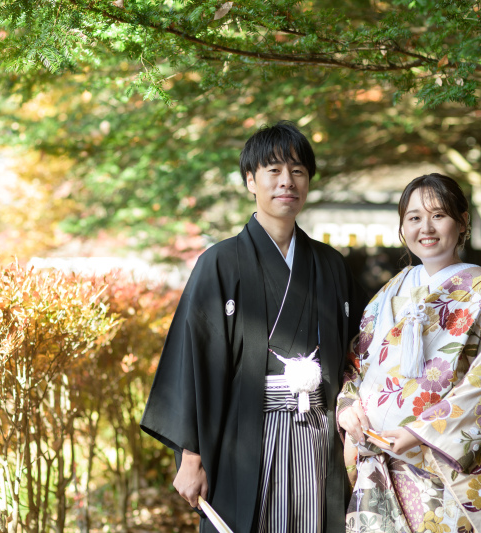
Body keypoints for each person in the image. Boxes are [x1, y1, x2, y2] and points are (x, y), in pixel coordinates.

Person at [141, 121, 363, 533]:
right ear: (250, 180)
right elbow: (192, 363)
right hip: (245, 440)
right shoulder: (220, 263)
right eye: (273, 171)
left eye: (298, 171)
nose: (287, 181)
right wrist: (190, 457)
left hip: (319, 437)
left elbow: (359, 355)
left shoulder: (331, 265)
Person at [337, 173, 481, 533]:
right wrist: (348, 406)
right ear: (402, 227)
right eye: (414, 217)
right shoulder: (390, 290)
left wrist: (423, 432)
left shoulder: (480, 288)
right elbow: (356, 362)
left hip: (439, 462)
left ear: (462, 222)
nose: (426, 228)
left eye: (438, 215)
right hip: (379, 457)